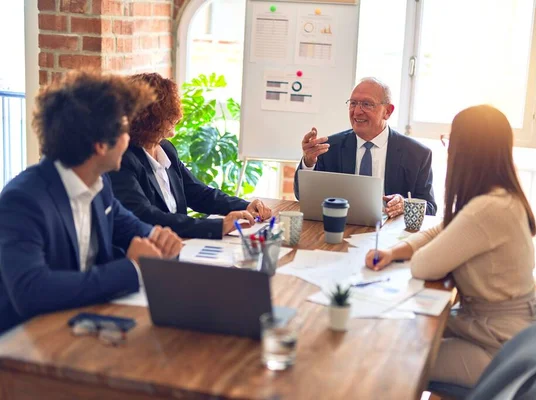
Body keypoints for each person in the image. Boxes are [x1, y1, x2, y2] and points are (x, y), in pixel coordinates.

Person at [364, 105, 536, 387]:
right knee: (402, 332)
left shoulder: (488, 209)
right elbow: (440, 230)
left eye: (451, 140)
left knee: (389, 356)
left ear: (467, 150)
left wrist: (411, 253)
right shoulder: (500, 196)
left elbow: (423, 265)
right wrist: (392, 252)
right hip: (499, 331)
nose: (448, 148)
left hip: (496, 349)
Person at [0, 70, 183, 334]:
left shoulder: (99, 185)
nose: (128, 139)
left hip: (84, 322)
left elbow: (136, 230)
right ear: (100, 145)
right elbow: (31, 291)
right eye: (122, 129)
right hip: (26, 343)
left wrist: (161, 240)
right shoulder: (23, 201)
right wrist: (132, 269)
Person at [108, 73, 272, 239]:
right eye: (167, 119)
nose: (173, 127)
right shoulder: (122, 160)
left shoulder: (165, 149)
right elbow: (146, 216)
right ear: (147, 120)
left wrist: (245, 206)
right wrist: (218, 226)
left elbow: (197, 193)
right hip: (149, 251)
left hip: (181, 243)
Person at [293, 77, 437, 217]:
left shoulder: (418, 154)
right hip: (340, 230)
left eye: (367, 104)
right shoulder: (329, 148)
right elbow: (302, 197)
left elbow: (430, 208)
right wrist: (308, 163)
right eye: (353, 103)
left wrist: (405, 205)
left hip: (391, 234)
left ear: (388, 111)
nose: (357, 112)